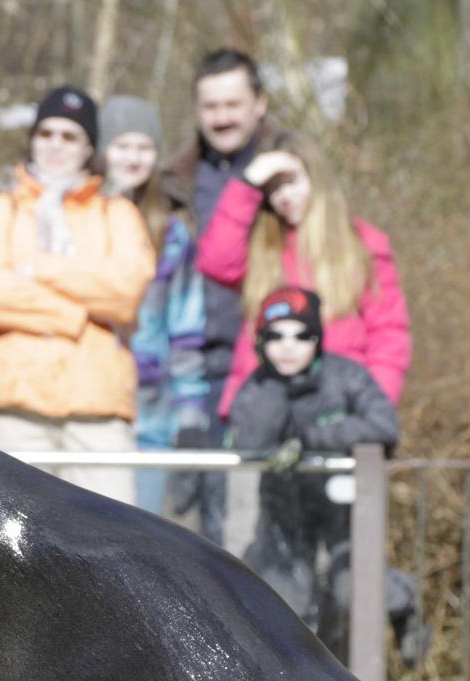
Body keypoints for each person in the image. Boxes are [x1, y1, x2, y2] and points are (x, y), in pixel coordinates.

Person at [0, 85, 155, 505]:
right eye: (46, 133)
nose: (55, 146)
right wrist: (76, 314)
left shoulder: (118, 213)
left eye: (70, 136)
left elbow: (124, 294)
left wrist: (41, 268)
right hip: (12, 404)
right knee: (5, 545)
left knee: (111, 545)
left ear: (89, 147)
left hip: (98, 407)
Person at [227, 286, 401, 659]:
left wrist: (314, 437)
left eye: (301, 335)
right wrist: (276, 386)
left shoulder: (345, 376)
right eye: (275, 337)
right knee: (280, 608)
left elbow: (384, 426)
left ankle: (406, 608)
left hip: (342, 514)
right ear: (260, 342)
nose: (288, 347)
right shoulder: (259, 386)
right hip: (283, 522)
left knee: (353, 592)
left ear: (317, 338)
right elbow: (248, 441)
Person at [197, 128, 412, 416]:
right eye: (273, 187)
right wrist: (246, 184)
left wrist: (374, 409)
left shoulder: (362, 245)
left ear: (316, 178)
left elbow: (388, 333)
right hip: (262, 410)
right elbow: (216, 261)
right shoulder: (260, 246)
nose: (285, 196)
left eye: (293, 181)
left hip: (340, 409)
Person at [164, 49, 280, 542]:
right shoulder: (174, 183)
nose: (222, 117)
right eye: (211, 106)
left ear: (260, 103)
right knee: (187, 531)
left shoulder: (288, 176)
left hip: (265, 367)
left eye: (233, 103)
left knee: (255, 526)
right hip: (189, 375)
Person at [99, 95, 208, 516]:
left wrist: (190, 417)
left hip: (152, 416)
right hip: (90, 407)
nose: (132, 157)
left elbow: (186, 328)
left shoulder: (173, 231)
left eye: (144, 147)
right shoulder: (78, 218)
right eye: (122, 145)